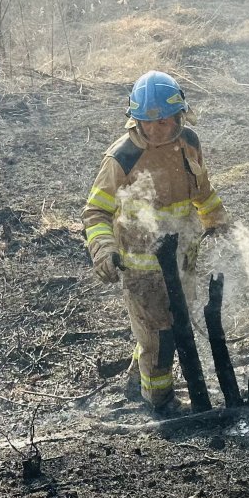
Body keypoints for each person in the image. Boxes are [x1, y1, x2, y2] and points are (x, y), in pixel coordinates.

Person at [83, 71, 226, 411]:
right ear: (135, 120)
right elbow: (96, 212)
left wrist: (219, 223)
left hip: (183, 262)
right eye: (147, 122)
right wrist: (104, 250)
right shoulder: (122, 157)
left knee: (171, 330)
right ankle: (160, 403)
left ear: (179, 116)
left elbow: (203, 192)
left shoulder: (189, 143)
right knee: (158, 340)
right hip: (141, 270)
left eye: (162, 121)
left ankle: (138, 380)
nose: (155, 129)